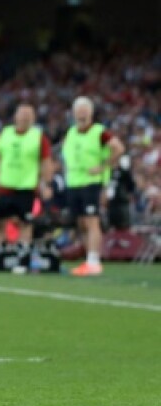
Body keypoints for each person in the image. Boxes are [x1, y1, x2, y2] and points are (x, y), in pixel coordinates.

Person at [0, 104, 53, 273]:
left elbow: (46, 162)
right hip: (5, 187)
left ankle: (22, 261)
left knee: (25, 224)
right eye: (22, 115)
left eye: (28, 116)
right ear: (15, 117)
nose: (24, 119)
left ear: (33, 119)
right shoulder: (5, 134)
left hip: (26, 188)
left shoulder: (39, 137)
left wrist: (47, 183)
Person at [61, 96, 125, 277]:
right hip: (74, 182)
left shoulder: (100, 132)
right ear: (73, 113)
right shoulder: (71, 133)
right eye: (78, 111)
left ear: (91, 112)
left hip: (92, 182)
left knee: (92, 220)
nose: (81, 114)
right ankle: (88, 258)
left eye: (85, 110)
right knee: (81, 222)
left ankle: (94, 260)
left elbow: (118, 148)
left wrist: (103, 166)